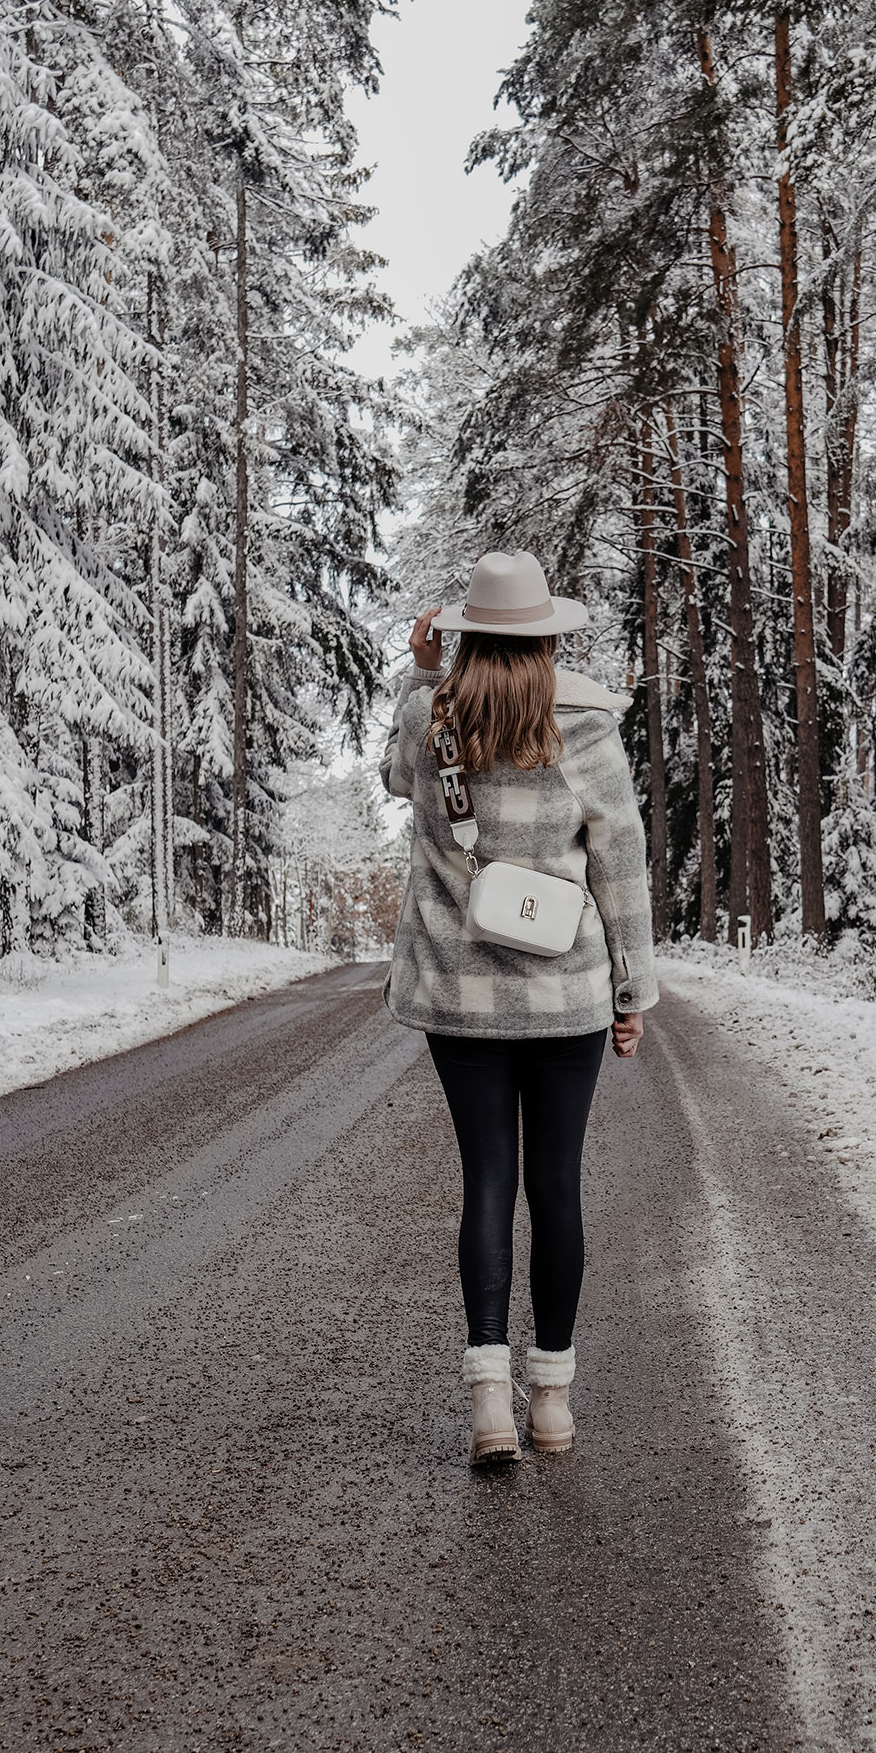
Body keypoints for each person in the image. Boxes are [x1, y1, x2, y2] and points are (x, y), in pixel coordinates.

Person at [380, 549, 659, 1467]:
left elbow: (392, 777)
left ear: (464, 635)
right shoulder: (583, 730)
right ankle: (551, 1405)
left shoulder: (431, 718)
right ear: (546, 639)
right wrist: (631, 993)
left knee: (487, 1184)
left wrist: (422, 671)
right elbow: (620, 871)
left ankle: (488, 1406)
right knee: (558, 1188)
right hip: (564, 995)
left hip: (459, 997)